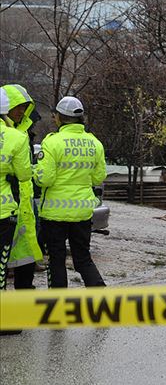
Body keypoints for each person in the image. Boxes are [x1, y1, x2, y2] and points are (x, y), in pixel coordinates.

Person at [33, 96, 107, 288]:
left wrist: (34, 172)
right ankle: (102, 296)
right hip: (82, 212)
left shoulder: (52, 142)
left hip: (54, 214)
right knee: (82, 258)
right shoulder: (95, 143)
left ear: (58, 117)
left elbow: (45, 179)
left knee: (56, 260)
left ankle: (59, 305)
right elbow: (99, 177)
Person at [0, 84, 43, 290]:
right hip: (9, 204)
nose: (21, 111)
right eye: (17, 107)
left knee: (25, 258)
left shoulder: (25, 132)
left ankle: (23, 299)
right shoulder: (14, 135)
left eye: (25, 107)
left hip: (24, 205)